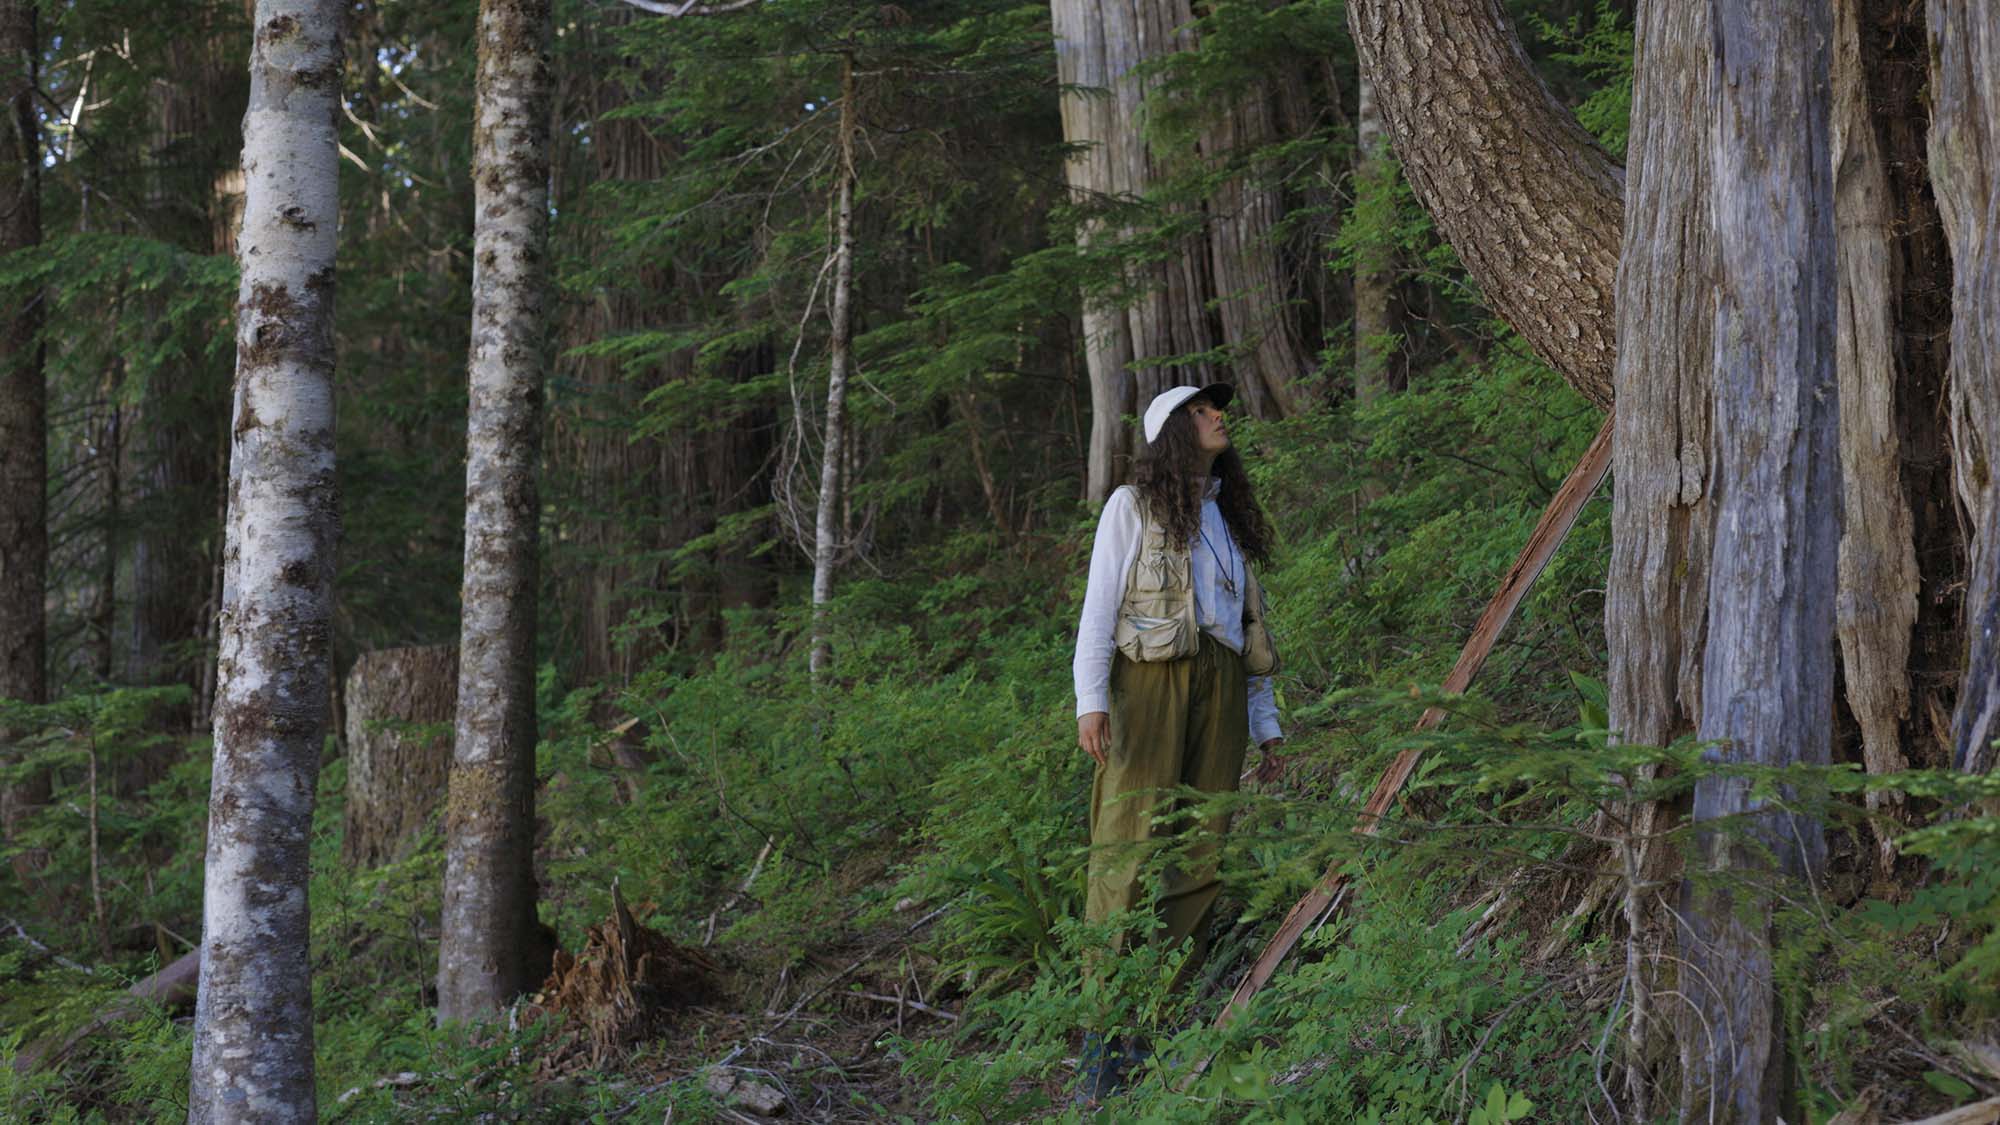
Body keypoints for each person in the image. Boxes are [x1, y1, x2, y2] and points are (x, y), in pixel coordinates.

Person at [1070, 381, 1285, 1100]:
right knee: (1126, 843)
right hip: (1149, 686)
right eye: (1200, 411)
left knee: (1201, 849)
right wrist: (1091, 701)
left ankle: (1152, 1023)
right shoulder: (1131, 507)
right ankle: (1103, 1036)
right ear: (1171, 431)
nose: (1218, 415)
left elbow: (1247, 632)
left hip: (1221, 691)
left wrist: (1268, 729)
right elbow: (1099, 608)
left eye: (1215, 408)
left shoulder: (1225, 519)